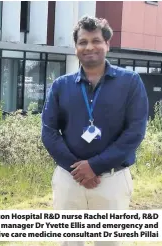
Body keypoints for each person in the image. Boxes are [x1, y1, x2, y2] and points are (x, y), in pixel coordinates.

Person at [41, 16, 148, 246]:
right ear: (76, 47)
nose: (89, 47)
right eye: (83, 42)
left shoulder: (130, 82)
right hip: (70, 179)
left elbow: (135, 132)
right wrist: (78, 169)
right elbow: (48, 131)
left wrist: (94, 166)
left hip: (112, 180)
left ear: (107, 44)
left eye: (96, 40)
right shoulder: (61, 85)